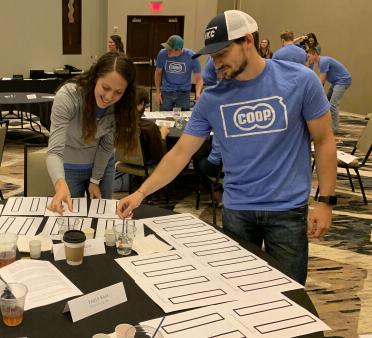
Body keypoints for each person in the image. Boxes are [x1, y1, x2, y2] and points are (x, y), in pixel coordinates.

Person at [117, 10, 337, 286]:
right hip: (237, 211)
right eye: (212, 55)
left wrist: (326, 201)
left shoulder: (300, 81)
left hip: (287, 211)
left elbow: (325, 141)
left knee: (290, 293)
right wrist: (140, 192)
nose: (215, 62)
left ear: (247, 41)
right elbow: (181, 152)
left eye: (221, 53)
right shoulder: (212, 99)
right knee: (241, 289)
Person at [46, 52, 139, 216]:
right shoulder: (68, 97)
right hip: (69, 167)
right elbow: (54, 151)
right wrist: (60, 184)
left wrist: (95, 180)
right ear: (95, 77)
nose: (109, 97)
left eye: (118, 92)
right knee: (70, 218)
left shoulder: (121, 106)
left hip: (102, 166)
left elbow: (106, 147)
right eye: (106, 87)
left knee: (103, 218)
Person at [307, 49, 352, 134]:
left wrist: (314, 92)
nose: (308, 59)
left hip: (342, 81)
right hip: (336, 82)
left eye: (309, 56)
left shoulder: (323, 61)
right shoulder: (321, 63)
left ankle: (334, 129)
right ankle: (325, 124)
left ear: (315, 54)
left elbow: (322, 80)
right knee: (326, 102)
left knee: (333, 105)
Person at [155, 35, 203, 111]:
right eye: (167, 48)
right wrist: (157, 93)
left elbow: (199, 79)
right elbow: (158, 73)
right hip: (167, 91)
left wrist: (198, 93)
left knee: (183, 118)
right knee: (164, 116)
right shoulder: (162, 54)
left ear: (179, 50)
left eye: (170, 50)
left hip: (184, 92)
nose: (167, 51)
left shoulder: (192, 56)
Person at [136, 86, 168, 165]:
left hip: (125, 159)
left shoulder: (118, 121)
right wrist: (163, 135)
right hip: (146, 162)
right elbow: (160, 156)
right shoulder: (149, 127)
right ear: (142, 104)